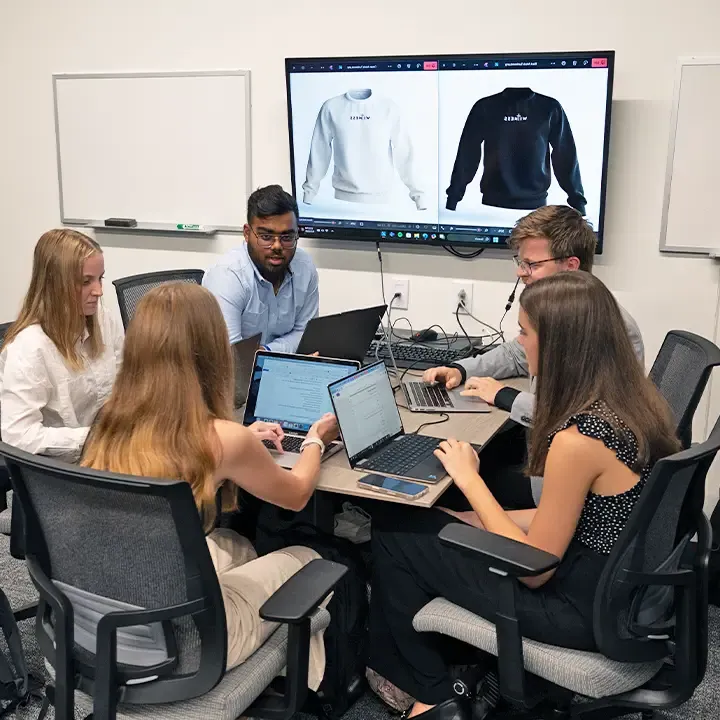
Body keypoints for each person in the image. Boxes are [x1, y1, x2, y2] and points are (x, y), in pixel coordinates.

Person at [368, 272, 680, 720]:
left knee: (393, 530)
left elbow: (534, 569)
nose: (519, 341)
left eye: (524, 332)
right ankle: (455, 665)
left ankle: (433, 692)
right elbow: (579, 516)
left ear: (557, 345)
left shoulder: (578, 439)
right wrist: (471, 517)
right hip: (615, 590)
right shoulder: (633, 404)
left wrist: (470, 479)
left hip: (574, 610)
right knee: (434, 520)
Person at [81, 282, 338, 683]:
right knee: (311, 559)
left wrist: (240, 441)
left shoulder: (107, 422)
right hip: (187, 647)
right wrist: (314, 441)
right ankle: (302, 686)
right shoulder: (221, 438)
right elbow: (298, 494)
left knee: (238, 546)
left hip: (101, 625)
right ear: (212, 351)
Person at [424, 206, 645, 510]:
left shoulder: (606, 328)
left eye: (531, 264)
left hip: (566, 486)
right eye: (520, 262)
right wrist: (461, 368)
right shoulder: (560, 316)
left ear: (570, 266)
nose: (520, 272)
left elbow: (587, 423)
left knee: (444, 486)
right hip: (552, 462)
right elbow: (515, 353)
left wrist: (504, 396)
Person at [0, 229, 123, 463]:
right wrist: (93, 438)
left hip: (103, 455)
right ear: (56, 285)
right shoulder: (30, 348)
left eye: (100, 278)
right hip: (60, 475)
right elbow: (19, 436)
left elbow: (123, 382)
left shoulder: (103, 320)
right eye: (86, 282)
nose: (98, 291)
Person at [203, 184, 319, 352]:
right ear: (247, 233)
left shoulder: (304, 267)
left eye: (287, 236)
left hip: (281, 370)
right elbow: (231, 358)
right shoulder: (227, 276)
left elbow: (304, 334)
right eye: (266, 237)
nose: (277, 246)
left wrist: (267, 352)